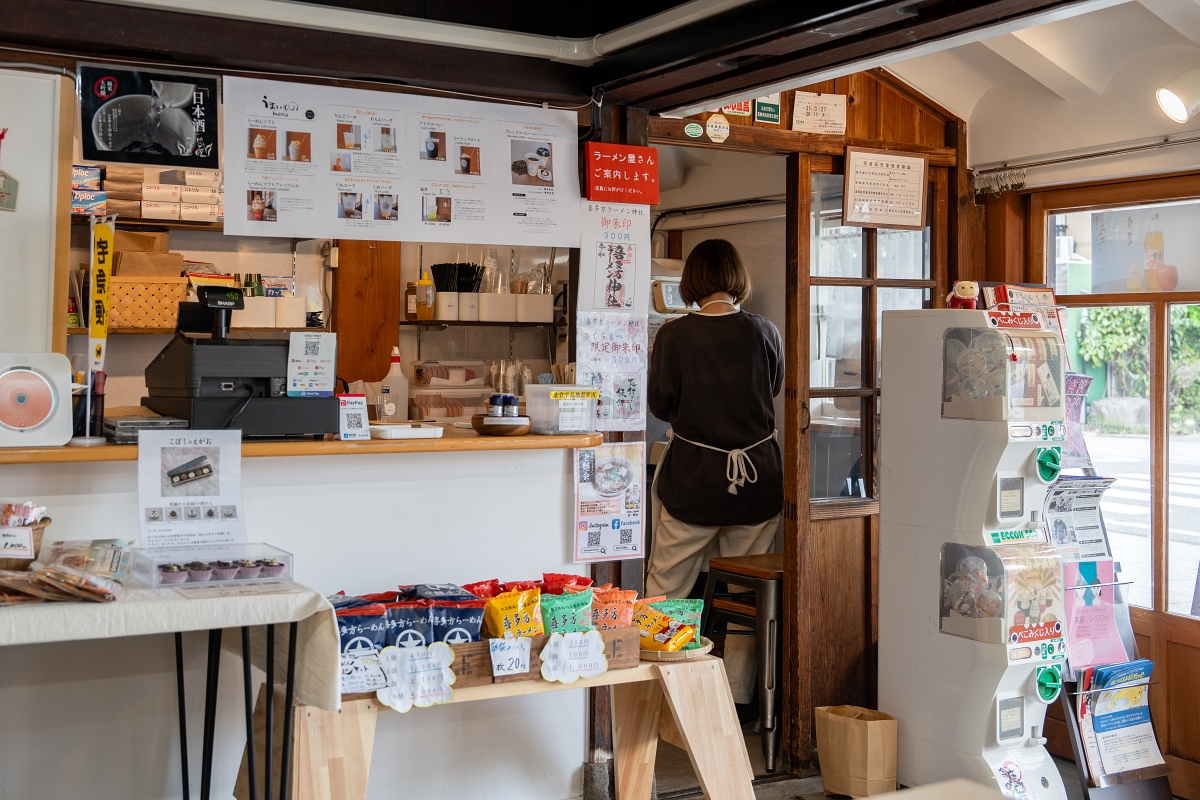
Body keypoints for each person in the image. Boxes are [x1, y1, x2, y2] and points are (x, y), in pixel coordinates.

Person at [646, 238, 783, 711]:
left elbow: (660, 406)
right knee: (745, 596)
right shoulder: (765, 331)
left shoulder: (674, 335)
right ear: (737, 278)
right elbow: (775, 386)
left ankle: (664, 693)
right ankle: (740, 697)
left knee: (668, 589)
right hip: (758, 484)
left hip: (695, 482)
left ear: (692, 282)